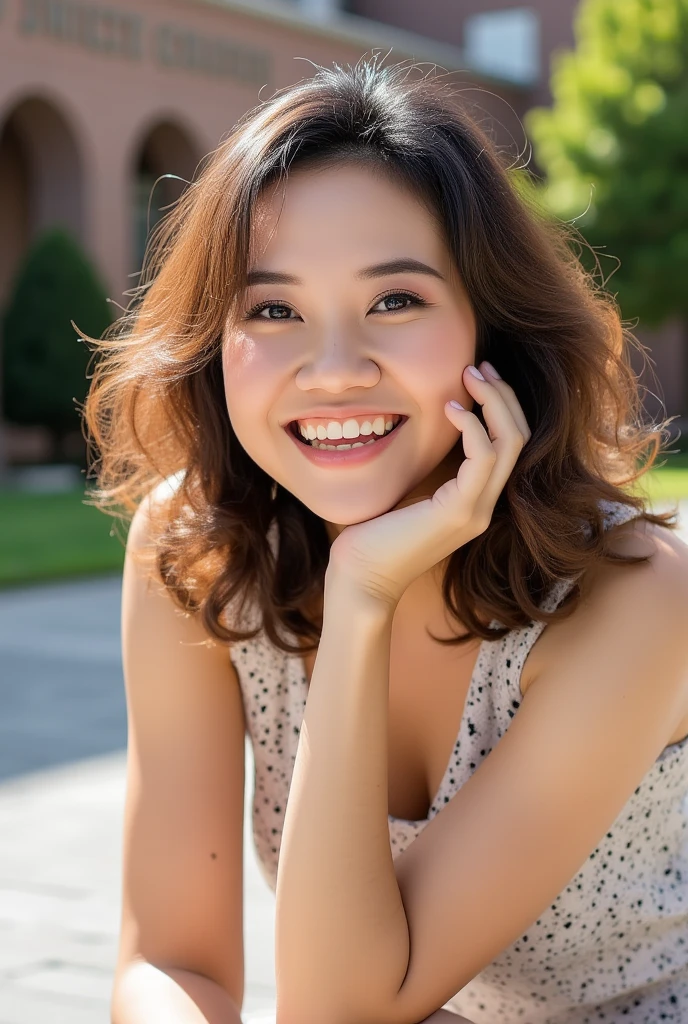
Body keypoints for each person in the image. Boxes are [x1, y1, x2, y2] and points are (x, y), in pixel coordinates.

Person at [82, 57, 688, 1024]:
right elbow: (169, 960)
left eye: (395, 301)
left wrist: (360, 598)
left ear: (490, 328)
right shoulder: (198, 550)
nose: (332, 371)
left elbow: (339, 1009)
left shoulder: (634, 596)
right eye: (274, 309)